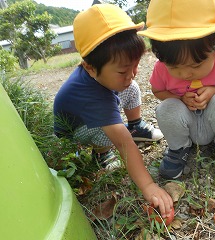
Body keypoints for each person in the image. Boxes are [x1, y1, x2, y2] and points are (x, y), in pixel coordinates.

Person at [53, 4, 172, 217]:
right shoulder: (92, 96)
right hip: (75, 135)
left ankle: (136, 126)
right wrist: (148, 186)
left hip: (93, 114)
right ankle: (101, 155)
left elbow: (126, 82)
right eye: (123, 70)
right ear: (89, 66)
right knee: (112, 132)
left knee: (131, 87)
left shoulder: (104, 77)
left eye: (135, 65)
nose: (133, 73)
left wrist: (123, 76)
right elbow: (123, 143)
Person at [138, 0, 215, 179]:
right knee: (166, 108)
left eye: (196, 64)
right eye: (174, 67)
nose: (185, 74)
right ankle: (179, 148)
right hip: (188, 125)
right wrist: (180, 99)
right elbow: (158, 91)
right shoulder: (161, 66)